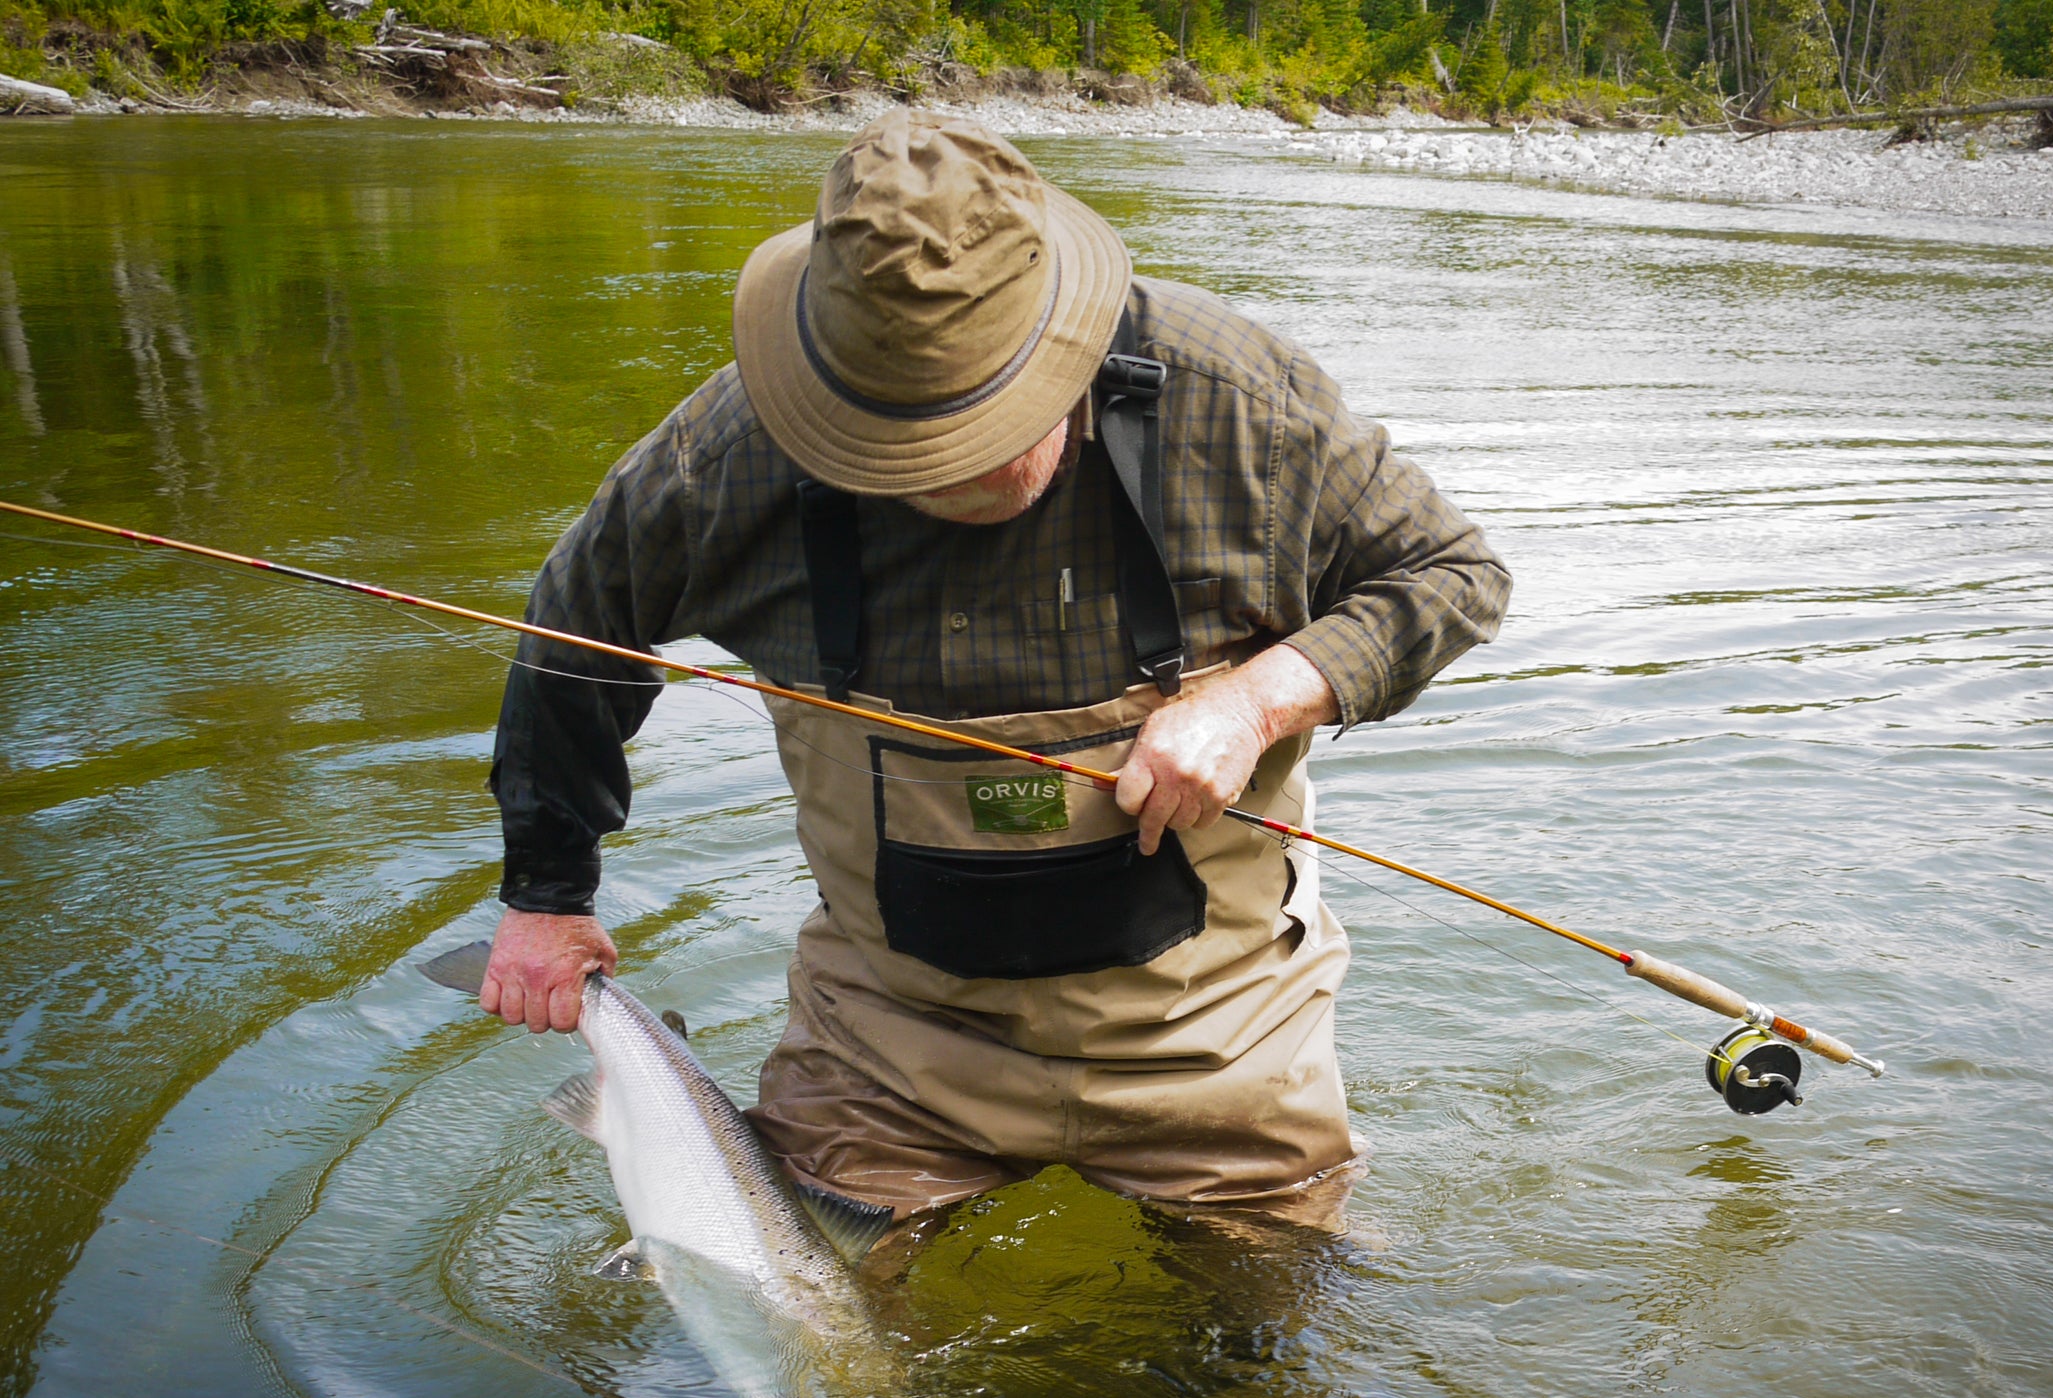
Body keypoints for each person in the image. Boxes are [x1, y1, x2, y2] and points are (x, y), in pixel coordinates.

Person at [479, 110, 1510, 1230]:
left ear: (1063, 348)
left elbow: (1451, 576)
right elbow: (573, 636)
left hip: (1215, 1045)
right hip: (885, 1053)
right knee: (823, 1377)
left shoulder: (1239, 405)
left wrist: (1259, 698)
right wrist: (547, 895)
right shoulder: (722, 459)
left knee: (1259, 1370)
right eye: (895, 449)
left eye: (984, 425)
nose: (949, 475)